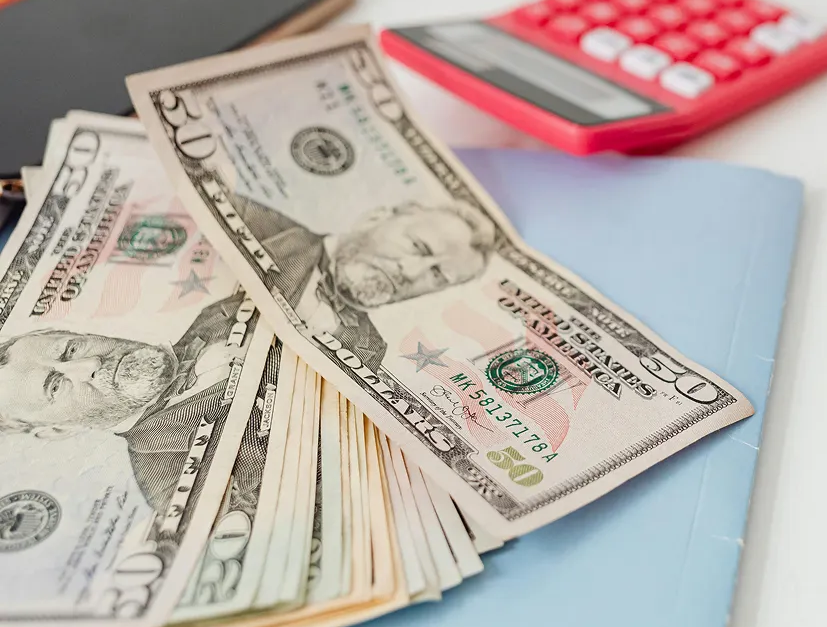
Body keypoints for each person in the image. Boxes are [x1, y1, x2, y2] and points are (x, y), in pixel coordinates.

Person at [0, 291, 250, 515]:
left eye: (72, 349)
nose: (91, 364)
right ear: (59, 430)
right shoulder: (171, 485)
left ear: (83, 333)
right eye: (56, 386)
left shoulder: (217, 313)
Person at [225, 191, 496, 372]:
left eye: (437, 275)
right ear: (374, 218)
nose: (412, 272)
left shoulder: (369, 351)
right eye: (418, 247)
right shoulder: (247, 219)